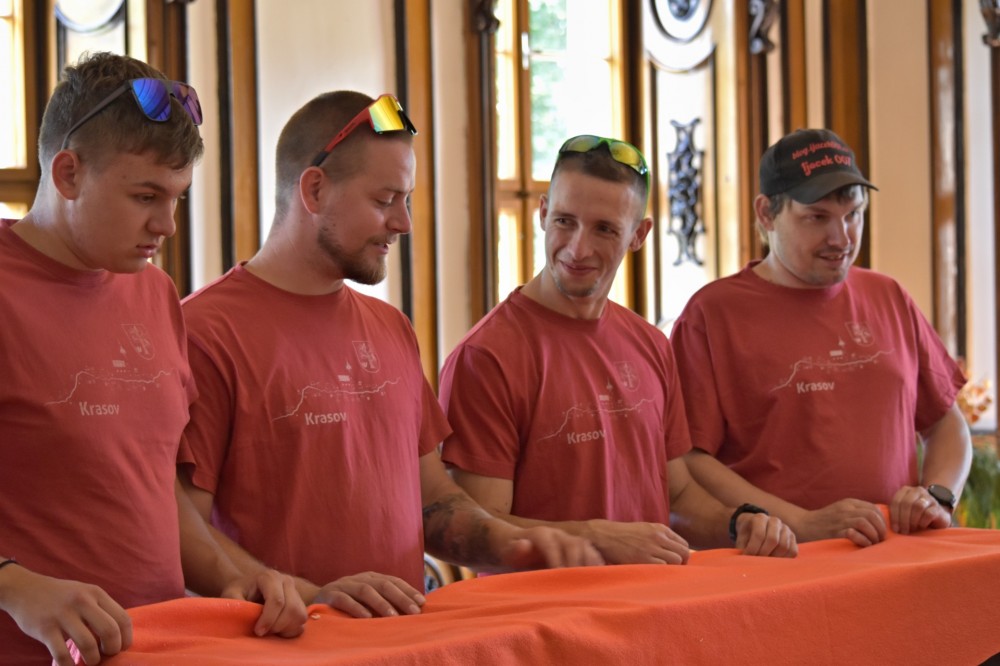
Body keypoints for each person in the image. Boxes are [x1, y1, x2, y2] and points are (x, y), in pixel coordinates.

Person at [178, 90, 603, 621]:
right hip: (285, 648)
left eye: (407, 200)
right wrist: (311, 597)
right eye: (385, 200)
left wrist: (517, 544)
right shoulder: (204, 332)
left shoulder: (390, 327)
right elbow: (184, 535)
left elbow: (434, 504)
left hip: (403, 645)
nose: (403, 223)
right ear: (314, 189)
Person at [0, 53, 306, 666]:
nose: (166, 225)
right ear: (68, 173)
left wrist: (233, 577)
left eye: (177, 198)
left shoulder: (155, 293)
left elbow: (152, 483)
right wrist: (13, 585)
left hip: (160, 648)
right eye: (145, 195)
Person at [437, 135, 797, 566]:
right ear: (543, 212)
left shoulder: (650, 344)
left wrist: (740, 524)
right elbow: (481, 536)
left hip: (654, 602)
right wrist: (597, 538)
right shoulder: (487, 357)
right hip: (545, 609)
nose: (578, 248)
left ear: (638, 235)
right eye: (565, 221)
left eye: (604, 229)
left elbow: (677, 497)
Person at [670, 128, 973, 548]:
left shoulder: (889, 296)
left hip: (894, 556)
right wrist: (800, 522)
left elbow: (946, 424)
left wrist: (937, 497)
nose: (841, 238)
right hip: (778, 562)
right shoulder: (712, 314)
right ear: (766, 214)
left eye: (853, 215)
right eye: (817, 218)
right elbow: (688, 460)